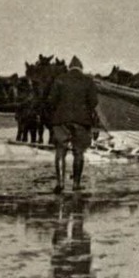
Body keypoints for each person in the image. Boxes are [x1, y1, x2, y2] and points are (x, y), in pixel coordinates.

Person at [46, 55, 99, 194]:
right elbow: (94, 102)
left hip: (61, 121)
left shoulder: (60, 79)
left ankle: (60, 184)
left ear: (69, 68)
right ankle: (76, 184)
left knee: (60, 151)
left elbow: (51, 101)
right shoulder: (88, 81)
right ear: (81, 68)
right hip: (81, 121)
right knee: (78, 152)